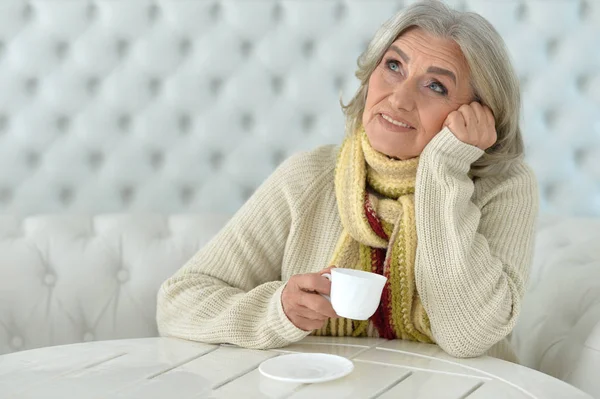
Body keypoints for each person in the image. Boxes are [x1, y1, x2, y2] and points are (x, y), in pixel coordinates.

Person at [156, 0, 538, 362]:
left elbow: (468, 335)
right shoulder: (309, 177)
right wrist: (277, 311)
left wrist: (444, 170)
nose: (399, 98)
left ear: (479, 114)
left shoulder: (505, 187)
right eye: (393, 66)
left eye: (435, 86)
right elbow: (178, 302)